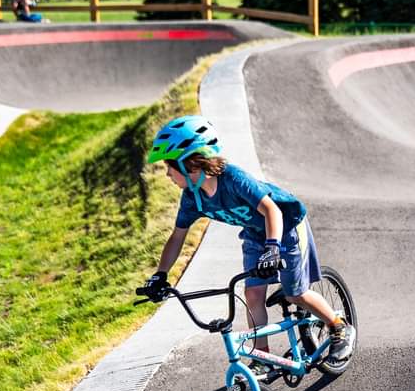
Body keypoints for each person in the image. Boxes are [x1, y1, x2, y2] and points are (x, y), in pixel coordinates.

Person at [140, 115, 356, 366]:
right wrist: (161, 275)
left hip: (284, 228)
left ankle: (339, 327)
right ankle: (262, 356)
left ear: (191, 164)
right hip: (255, 234)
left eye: (170, 166)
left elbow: (271, 210)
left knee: (296, 293)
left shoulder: (232, 178)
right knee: (252, 294)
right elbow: (178, 236)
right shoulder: (193, 197)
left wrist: (273, 248)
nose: (167, 173)